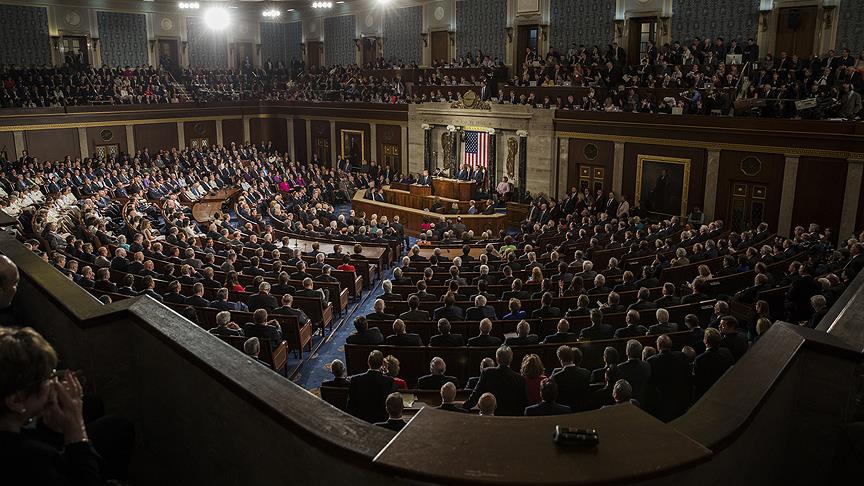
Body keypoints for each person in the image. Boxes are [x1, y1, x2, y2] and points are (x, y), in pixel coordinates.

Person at [0, 327, 105, 484]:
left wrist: (51, 430)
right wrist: (76, 429)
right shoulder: (34, 459)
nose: (53, 383)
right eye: (48, 378)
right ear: (16, 400)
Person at [461, 345, 527, 416]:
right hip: (511, 418)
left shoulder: (487, 373)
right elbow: (523, 403)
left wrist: (463, 407)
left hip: (491, 416)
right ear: (511, 359)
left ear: (497, 359)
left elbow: (476, 394)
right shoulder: (520, 379)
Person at [646, 334, 691, 422]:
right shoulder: (681, 356)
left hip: (662, 401)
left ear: (658, 346)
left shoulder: (652, 361)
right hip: (681, 398)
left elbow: (650, 383)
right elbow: (687, 375)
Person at [347, 350, 396, 423]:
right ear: (382, 364)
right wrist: (387, 372)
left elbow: (350, 405)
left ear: (368, 362)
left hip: (360, 420)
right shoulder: (389, 381)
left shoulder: (355, 380)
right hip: (381, 421)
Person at [693, 328, 735, 399]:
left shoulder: (700, 359)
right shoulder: (726, 351)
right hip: (727, 387)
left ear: (705, 341)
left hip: (709, 393)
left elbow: (698, 381)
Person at [550, 345, 591, 412]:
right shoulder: (586, 373)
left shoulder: (556, 377)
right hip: (583, 410)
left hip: (564, 412)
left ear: (560, 359)